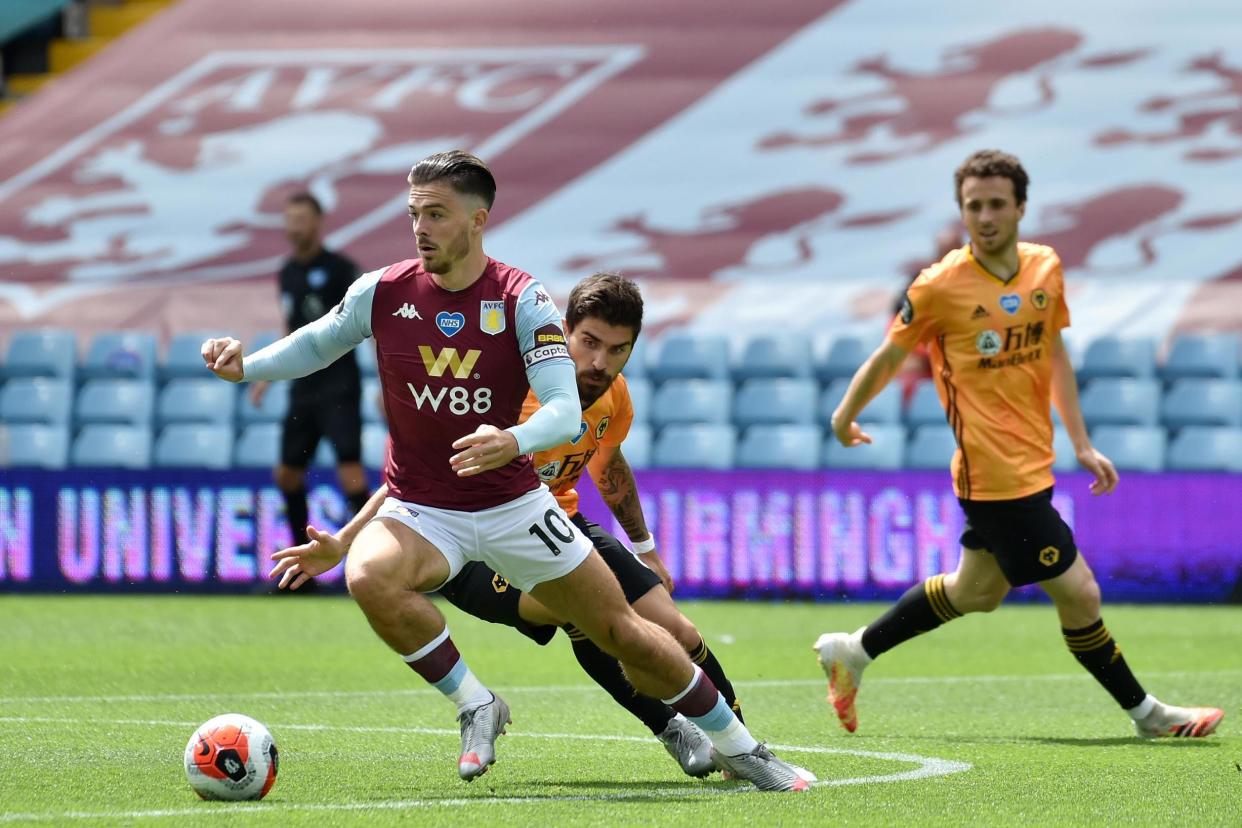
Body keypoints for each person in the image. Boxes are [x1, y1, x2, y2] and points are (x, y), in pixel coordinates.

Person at [202, 151, 810, 790]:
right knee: (368, 575)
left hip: (516, 506)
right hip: (422, 507)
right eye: (414, 214)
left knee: (623, 632)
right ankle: (476, 705)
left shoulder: (523, 301)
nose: (421, 227)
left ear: (477, 220)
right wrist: (248, 364)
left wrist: (510, 440)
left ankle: (742, 748)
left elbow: (564, 413)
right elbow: (316, 343)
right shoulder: (381, 292)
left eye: (436, 214)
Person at [815, 149, 1224, 740]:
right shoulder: (938, 287)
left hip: (1035, 464)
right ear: (961, 211)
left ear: (1021, 208)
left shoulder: (1044, 269)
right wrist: (844, 415)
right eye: (972, 206)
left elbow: (1053, 352)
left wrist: (1080, 442)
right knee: (1081, 593)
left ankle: (852, 650)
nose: (983, 217)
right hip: (991, 476)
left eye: (996, 204)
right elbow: (890, 356)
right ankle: (1149, 715)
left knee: (975, 592)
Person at [271, 272, 745, 779]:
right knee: (585, 615)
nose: (599, 362)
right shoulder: (512, 395)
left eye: (617, 349)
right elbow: (418, 480)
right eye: (588, 343)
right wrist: (346, 540)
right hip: (479, 546)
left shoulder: (615, 394)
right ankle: (674, 729)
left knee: (678, 628)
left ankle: (739, 744)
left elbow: (609, 466)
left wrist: (644, 546)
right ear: (562, 331)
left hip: (562, 525)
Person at [249, 193, 371, 586]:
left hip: (339, 387)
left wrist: (387, 384)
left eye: (301, 218)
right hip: (303, 389)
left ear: (318, 223)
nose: (293, 226)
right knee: (286, 475)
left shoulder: (342, 270)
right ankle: (301, 570)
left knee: (350, 473)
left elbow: (372, 324)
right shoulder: (286, 271)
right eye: (288, 219)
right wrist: (266, 373)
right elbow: (292, 329)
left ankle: (375, 565)